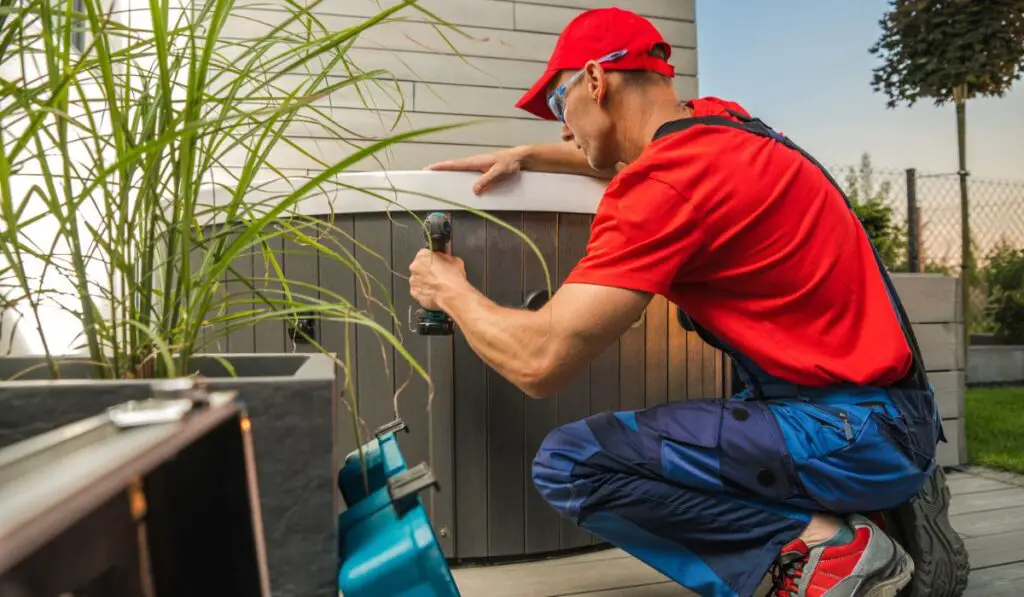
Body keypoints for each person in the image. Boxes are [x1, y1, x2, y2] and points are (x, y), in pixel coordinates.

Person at [408, 8, 968, 597]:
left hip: (844, 429)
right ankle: (879, 510)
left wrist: (450, 289)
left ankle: (829, 556)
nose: (563, 131)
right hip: (896, 417)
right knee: (720, 416)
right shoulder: (721, 124)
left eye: (556, 107)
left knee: (573, 463)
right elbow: (629, 152)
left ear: (596, 80)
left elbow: (539, 362)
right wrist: (529, 155)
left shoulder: (665, 186)